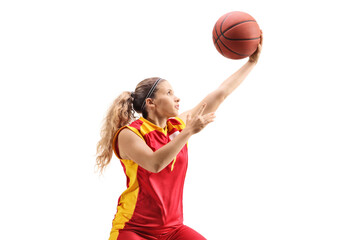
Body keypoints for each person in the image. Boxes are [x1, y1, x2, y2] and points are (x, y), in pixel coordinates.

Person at [96, 35, 263, 240]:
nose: (177, 97)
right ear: (151, 102)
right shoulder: (129, 134)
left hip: (173, 229)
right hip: (134, 229)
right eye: (169, 92)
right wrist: (188, 132)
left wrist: (251, 62)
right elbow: (155, 163)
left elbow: (220, 94)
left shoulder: (177, 126)